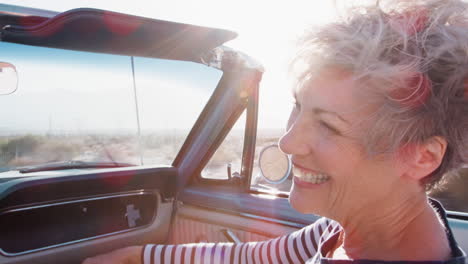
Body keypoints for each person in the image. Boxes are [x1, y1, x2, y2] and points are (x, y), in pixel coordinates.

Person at [83, 0, 468, 263]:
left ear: (422, 157)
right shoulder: (342, 231)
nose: (288, 142)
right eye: (298, 107)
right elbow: (253, 256)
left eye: (329, 126)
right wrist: (138, 256)